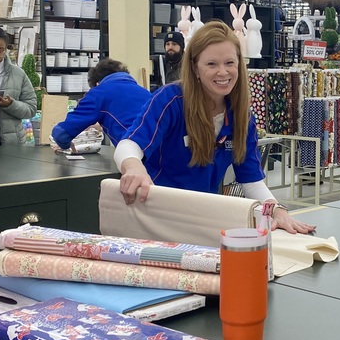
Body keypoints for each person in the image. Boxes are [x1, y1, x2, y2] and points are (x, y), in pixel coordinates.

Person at [115, 21, 314, 235]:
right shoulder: (171, 100)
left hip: (202, 219)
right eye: (211, 64)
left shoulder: (241, 116)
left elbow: (251, 180)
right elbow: (129, 144)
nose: (223, 72)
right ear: (194, 67)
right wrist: (134, 167)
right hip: (156, 218)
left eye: (230, 62)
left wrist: (276, 210)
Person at [50, 58, 151, 151]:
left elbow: (61, 133)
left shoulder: (99, 93)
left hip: (140, 151)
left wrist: (64, 143)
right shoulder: (145, 92)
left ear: (97, 83)